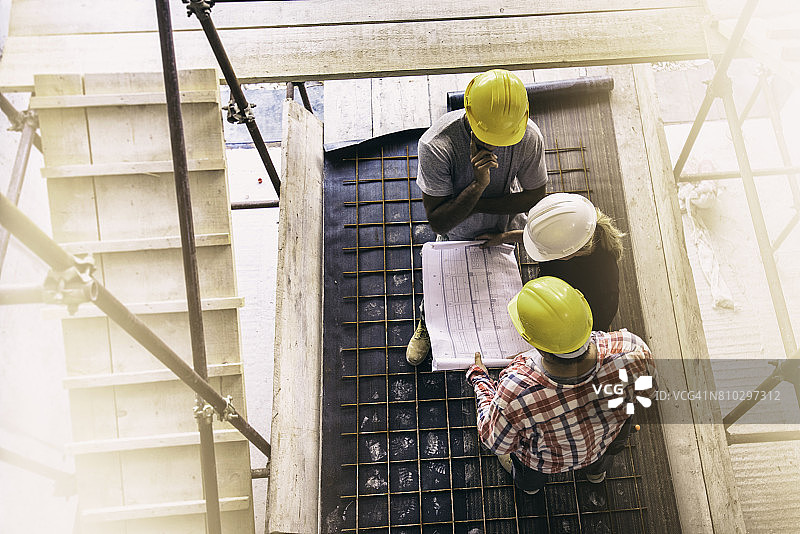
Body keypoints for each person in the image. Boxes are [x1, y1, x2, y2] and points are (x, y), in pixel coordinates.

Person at [406, 69, 549, 365]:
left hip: (504, 222)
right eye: (488, 138)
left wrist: (478, 204)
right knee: (443, 289)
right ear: (469, 117)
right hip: (454, 230)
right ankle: (428, 320)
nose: (496, 146)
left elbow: (535, 196)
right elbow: (440, 221)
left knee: (498, 292)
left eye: (503, 139)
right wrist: (479, 183)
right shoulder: (435, 146)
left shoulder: (527, 135)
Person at [466, 276, 656, 494]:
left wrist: (480, 378)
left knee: (529, 478)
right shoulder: (631, 347)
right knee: (601, 458)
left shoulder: (516, 388)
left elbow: (495, 442)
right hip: (604, 442)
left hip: (544, 463)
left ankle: (530, 489)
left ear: (539, 347)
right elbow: (648, 395)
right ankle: (595, 474)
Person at [476, 192, 625, 331]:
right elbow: (543, 239)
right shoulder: (580, 226)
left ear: (566, 254)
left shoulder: (599, 295)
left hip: (574, 325)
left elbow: (581, 336)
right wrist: (504, 237)